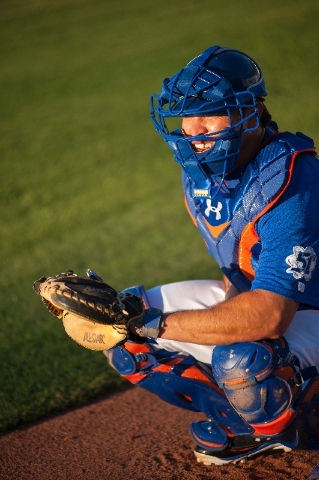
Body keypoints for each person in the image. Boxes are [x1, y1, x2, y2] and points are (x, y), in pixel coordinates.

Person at [104, 45, 319, 465]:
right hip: (285, 310)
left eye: (210, 113)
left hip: (304, 309)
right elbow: (235, 280)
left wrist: (158, 324)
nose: (193, 130)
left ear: (250, 112)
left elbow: (270, 316)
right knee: (121, 327)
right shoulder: (201, 177)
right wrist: (138, 321)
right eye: (186, 115)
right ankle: (251, 425)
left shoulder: (293, 180)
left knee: (244, 361)